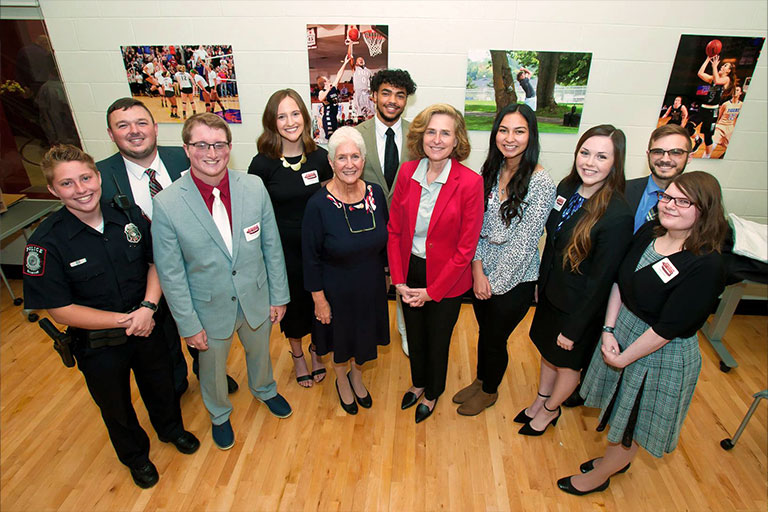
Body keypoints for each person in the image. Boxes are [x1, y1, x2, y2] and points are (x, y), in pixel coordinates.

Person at [22, 145, 199, 489]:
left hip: (148, 326)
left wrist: (148, 308)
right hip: (99, 344)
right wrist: (126, 321)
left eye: (86, 178)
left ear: (98, 177)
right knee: (115, 406)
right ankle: (136, 458)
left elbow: (155, 262)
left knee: (161, 385)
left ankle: (172, 431)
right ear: (54, 190)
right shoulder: (46, 242)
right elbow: (60, 310)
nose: (81, 189)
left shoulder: (128, 214)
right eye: (68, 184)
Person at [559, 171, 728, 496]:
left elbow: (668, 328)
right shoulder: (650, 233)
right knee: (617, 408)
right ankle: (614, 461)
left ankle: (600, 476)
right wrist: (608, 329)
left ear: (704, 210)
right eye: (667, 197)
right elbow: (620, 281)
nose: (670, 206)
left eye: (683, 201)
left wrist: (624, 357)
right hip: (621, 330)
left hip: (657, 352)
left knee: (632, 419)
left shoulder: (706, 266)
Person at [151, 113, 292, 450]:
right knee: (212, 370)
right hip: (207, 309)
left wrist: (280, 295)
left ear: (229, 147)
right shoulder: (168, 204)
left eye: (218, 145)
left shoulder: (253, 187)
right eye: (201, 145)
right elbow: (170, 273)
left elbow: (271, 244)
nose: (211, 153)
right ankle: (218, 413)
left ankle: (265, 389)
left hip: (256, 296)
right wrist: (187, 324)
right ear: (187, 149)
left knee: (260, 353)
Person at [96, 97, 238, 396]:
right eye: (123, 126)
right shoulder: (100, 178)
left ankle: (209, 372)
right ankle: (174, 386)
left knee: (203, 330)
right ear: (111, 134)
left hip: (197, 269)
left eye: (141, 123)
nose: (135, 131)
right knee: (162, 340)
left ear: (155, 127)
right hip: (144, 276)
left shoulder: (188, 157)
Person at [519, 124, 633, 436]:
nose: (590, 162)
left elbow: (602, 281)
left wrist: (574, 328)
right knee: (547, 353)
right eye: (585, 152)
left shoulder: (617, 213)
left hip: (578, 310)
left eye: (601, 156)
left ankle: (550, 412)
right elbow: (552, 244)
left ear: (615, 163)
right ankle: (540, 400)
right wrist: (541, 286)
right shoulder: (567, 189)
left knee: (568, 364)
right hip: (552, 294)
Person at [452, 103, 556, 416]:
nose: (510, 138)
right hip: (483, 269)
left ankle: (490, 390)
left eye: (519, 131)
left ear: (531, 136)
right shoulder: (492, 170)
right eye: (504, 129)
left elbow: (525, 244)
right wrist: (478, 269)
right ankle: (481, 380)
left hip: (515, 280)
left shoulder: (540, 183)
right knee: (485, 333)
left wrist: (492, 284)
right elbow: (477, 225)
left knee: (496, 337)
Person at [387, 104, 484, 423]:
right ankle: (418, 383)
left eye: (446, 133)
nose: (437, 139)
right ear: (421, 135)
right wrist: (399, 279)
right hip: (410, 269)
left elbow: (466, 248)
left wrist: (433, 290)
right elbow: (395, 230)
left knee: (437, 339)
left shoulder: (470, 183)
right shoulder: (406, 172)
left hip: (448, 278)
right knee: (413, 334)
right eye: (431, 131)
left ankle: (433, 392)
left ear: (457, 140)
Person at [247, 89, 333, 388]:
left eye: (295, 113)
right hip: (282, 252)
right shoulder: (261, 164)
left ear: (305, 117)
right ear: (272, 122)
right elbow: (253, 213)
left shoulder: (321, 158)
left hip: (318, 248)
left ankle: (316, 350)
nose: (290, 121)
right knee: (293, 305)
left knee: (318, 302)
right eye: (281, 116)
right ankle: (297, 354)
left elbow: (329, 201)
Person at [302, 127, 390, 414]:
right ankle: (342, 377)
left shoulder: (376, 194)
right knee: (340, 340)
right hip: (334, 290)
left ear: (363, 161)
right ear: (331, 162)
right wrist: (319, 300)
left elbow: (387, 238)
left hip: (371, 285)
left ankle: (357, 374)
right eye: (342, 158)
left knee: (364, 337)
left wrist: (389, 276)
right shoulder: (317, 205)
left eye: (355, 156)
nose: (349, 164)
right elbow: (310, 257)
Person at [355, 68, 417, 356]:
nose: (393, 100)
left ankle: (406, 331)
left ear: (406, 100)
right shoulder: (356, 135)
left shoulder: (418, 136)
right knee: (369, 287)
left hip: (407, 228)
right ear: (374, 96)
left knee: (406, 282)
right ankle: (369, 332)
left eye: (400, 95)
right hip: (367, 229)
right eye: (387, 93)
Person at [625, 124, 693, 233]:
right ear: (648, 155)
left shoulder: (698, 201)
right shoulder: (622, 189)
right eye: (657, 152)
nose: (665, 159)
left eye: (675, 152)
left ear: (689, 157)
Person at [696, 55, 736, 158]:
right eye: (723, 65)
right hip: (703, 108)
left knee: (708, 137)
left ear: (728, 71)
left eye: (725, 65)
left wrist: (714, 66)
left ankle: (707, 157)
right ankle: (697, 140)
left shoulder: (726, 80)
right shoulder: (713, 78)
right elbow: (700, 73)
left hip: (712, 111)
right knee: (689, 127)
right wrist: (707, 59)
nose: (722, 66)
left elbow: (718, 81)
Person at [315, 56, 349, 141]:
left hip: (334, 117)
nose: (329, 80)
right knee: (331, 139)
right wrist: (328, 90)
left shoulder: (333, 88)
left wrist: (345, 63)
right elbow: (321, 98)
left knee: (335, 139)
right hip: (328, 117)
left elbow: (339, 75)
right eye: (327, 79)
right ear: (325, 82)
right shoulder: (322, 92)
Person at [713, 85, 743, 153]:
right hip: (721, 126)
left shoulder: (741, 105)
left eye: (737, 90)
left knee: (732, 149)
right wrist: (715, 125)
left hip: (730, 127)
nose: (735, 91)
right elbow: (719, 116)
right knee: (712, 145)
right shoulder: (725, 104)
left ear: (740, 93)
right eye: (734, 90)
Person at [348, 52, 375, 120]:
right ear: (356, 63)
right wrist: (350, 44)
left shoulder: (369, 71)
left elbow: (372, 83)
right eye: (359, 59)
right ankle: (361, 126)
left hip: (367, 92)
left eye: (362, 59)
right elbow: (351, 59)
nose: (361, 60)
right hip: (358, 91)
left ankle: (371, 126)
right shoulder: (355, 68)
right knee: (360, 113)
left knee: (371, 113)